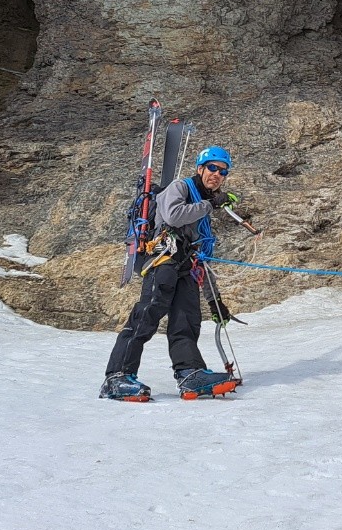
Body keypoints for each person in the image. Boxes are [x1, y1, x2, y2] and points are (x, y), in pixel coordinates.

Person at [101, 145, 242, 402]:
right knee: (148, 314)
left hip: (187, 267)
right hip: (162, 260)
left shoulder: (203, 213)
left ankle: (190, 374)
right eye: (212, 168)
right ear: (200, 168)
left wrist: (215, 300)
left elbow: (203, 257)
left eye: (223, 172)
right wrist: (210, 204)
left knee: (186, 321)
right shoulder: (180, 187)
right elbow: (173, 215)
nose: (217, 174)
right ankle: (117, 376)